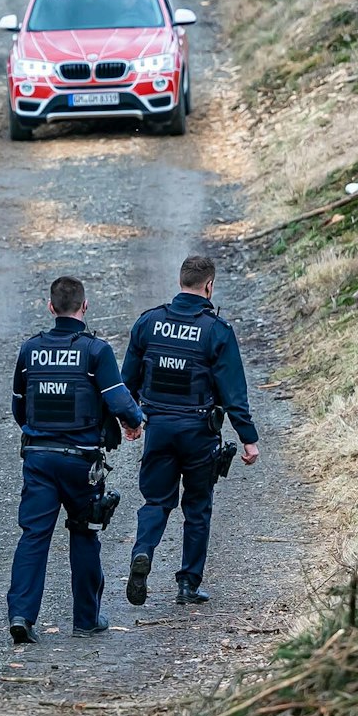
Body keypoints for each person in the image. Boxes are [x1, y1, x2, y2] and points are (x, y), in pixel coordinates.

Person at [5, 277, 146, 645]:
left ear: (50, 308)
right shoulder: (95, 351)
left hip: (38, 458)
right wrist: (135, 423)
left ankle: (21, 614)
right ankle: (86, 619)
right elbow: (118, 401)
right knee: (85, 534)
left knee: (33, 537)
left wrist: (41, 434)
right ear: (85, 306)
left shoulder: (30, 350)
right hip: (81, 463)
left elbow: (19, 407)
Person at [122, 254, 260, 607]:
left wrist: (130, 420)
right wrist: (248, 438)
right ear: (209, 286)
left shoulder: (149, 323)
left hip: (159, 428)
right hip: (199, 430)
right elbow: (233, 392)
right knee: (197, 506)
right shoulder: (216, 330)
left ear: (181, 281)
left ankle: (144, 552)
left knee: (156, 500)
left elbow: (127, 381)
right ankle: (187, 584)